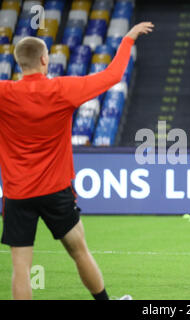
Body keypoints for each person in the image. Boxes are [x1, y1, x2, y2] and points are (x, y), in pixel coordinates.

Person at [0, 22, 154, 300]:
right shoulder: (62, 89)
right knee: (79, 251)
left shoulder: (4, 94)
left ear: (19, 63)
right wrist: (128, 39)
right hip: (55, 191)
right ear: (44, 60)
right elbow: (113, 75)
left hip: (17, 193)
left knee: (21, 267)